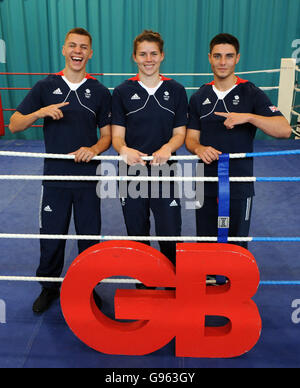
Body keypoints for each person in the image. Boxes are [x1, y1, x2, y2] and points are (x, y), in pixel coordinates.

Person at [9, 27, 111, 312]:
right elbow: (14, 124)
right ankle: (49, 287)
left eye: (83, 47)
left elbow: (107, 136)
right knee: (52, 235)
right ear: (64, 50)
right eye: (73, 46)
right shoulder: (45, 87)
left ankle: (89, 288)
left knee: (90, 237)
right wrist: (39, 113)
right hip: (54, 178)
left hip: (88, 178)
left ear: (90, 53)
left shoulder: (100, 92)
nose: (77, 51)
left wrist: (94, 149)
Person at [186, 33, 291, 251]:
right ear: (209, 58)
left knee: (236, 245)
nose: (222, 62)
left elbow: (284, 130)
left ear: (237, 58)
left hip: (239, 182)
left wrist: (249, 117)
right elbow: (191, 139)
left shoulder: (250, 93)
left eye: (228, 56)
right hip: (204, 182)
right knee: (205, 242)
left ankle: (232, 282)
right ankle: (208, 282)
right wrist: (199, 148)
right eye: (217, 56)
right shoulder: (198, 97)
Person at [111, 30, 188, 276]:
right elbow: (117, 137)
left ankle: (173, 285)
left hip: (165, 171)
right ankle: (143, 285)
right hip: (131, 172)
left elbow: (180, 133)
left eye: (153, 53)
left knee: (170, 231)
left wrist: (167, 148)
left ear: (162, 56)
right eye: (143, 54)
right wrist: (124, 150)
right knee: (136, 231)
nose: (148, 59)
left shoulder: (176, 90)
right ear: (134, 57)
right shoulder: (122, 92)